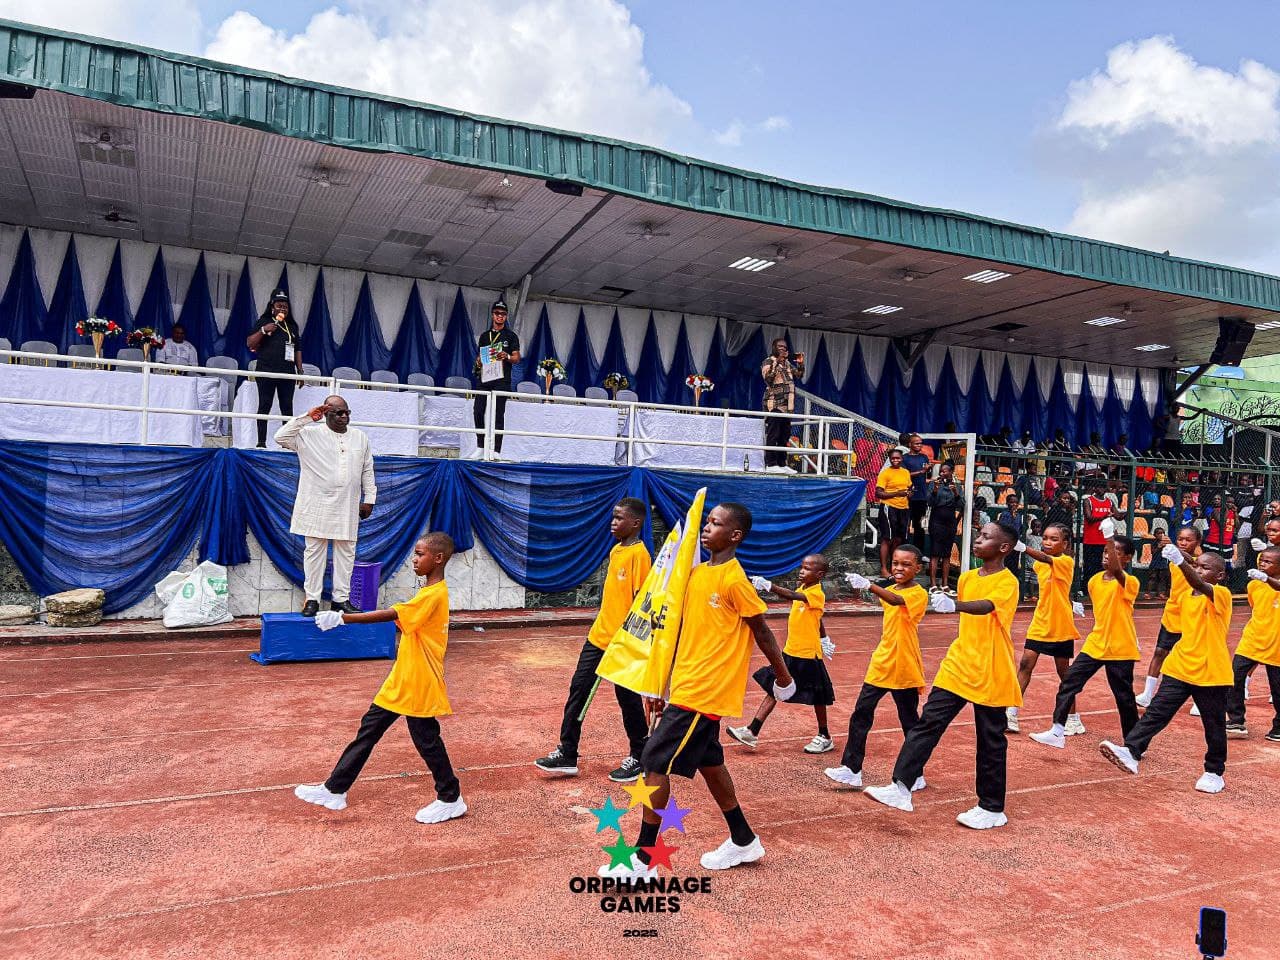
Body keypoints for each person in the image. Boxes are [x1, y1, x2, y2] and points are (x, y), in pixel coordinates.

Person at [605, 503, 794, 880]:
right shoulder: (695, 574)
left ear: (735, 535)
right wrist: (659, 682)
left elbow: (762, 631)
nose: (707, 529)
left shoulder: (733, 580)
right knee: (709, 763)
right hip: (686, 685)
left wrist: (784, 678)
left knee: (654, 762)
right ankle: (743, 839)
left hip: (705, 692)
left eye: (716, 524)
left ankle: (643, 862)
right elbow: (677, 630)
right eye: (707, 522)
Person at [293, 533, 466, 823]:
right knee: (369, 730)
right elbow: (402, 618)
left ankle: (450, 797)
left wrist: (342, 618)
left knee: (427, 740)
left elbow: (391, 613)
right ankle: (335, 789)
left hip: (419, 681)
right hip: (403, 677)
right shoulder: (426, 594)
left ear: (438, 558)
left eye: (420, 554)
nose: (414, 560)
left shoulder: (434, 594)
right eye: (414, 553)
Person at [864, 522, 1022, 830]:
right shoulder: (966, 577)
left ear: (1003, 548)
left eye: (986, 537)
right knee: (928, 723)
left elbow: (986, 607)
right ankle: (901, 786)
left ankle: (991, 807)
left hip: (990, 667)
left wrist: (956, 604)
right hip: (959, 662)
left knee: (990, 738)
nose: (978, 540)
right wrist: (954, 601)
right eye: (979, 534)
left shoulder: (1008, 582)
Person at [535, 499, 652, 781]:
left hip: (622, 641)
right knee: (579, 688)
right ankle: (567, 752)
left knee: (627, 698)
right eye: (613, 517)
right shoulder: (615, 551)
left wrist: (631, 640)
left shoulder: (640, 555)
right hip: (599, 636)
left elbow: (641, 602)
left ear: (635, 523)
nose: (613, 522)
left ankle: (640, 755)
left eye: (619, 518)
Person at [1100, 547, 1233, 794]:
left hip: (1210, 671)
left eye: (1206, 568)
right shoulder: (1185, 597)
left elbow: (1200, 584)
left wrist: (1181, 561)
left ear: (1221, 576)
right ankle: (1131, 752)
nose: (1198, 570)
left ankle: (1214, 772)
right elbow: (1175, 624)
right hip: (1180, 665)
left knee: (1213, 724)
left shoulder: (1221, 594)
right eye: (1198, 565)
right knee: (1156, 713)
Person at [824, 547, 929, 789]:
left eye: (905, 564)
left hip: (903, 663)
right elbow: (888, 595)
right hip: (882, 661)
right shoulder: (890, 588)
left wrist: (868, 584)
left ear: (917, 568)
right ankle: (852, 769)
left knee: (909, 720)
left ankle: (916, 774)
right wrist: (863, 585)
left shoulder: (918, 594)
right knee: (861, 713)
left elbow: (896, 601)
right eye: (895, 563)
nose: (899, 569)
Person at [1029, 534, 1140, 750]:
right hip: (1096, 643)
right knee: (1069, 683)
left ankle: (1133, 744)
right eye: (1106, 551)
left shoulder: (1130, 582)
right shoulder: (1094, 581)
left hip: (1120, 647)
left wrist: (1108, 538)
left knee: (1124, 697)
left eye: (1115, 552)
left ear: (1127, 558)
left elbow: (1117, 573)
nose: (1108, 555)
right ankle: (1057, 730)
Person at [275, 395, 376, 617]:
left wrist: (370, 498)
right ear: (326, 414)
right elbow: (280, 437)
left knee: (346, 552)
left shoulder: (360, 437)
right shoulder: (309, 435)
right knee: (314, 552)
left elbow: (367, 469)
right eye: (338, 413)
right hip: (316, 503)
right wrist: (306, 418)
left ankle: (340, 599)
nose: (344, 417)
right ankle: (312, 599)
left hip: (347, 504)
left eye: (347, 412)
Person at [730, 555, 835, 752]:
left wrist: (770, 586)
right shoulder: (803, 588)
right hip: (791, 652)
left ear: (819, 574)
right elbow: (816, 617)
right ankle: (752, 731)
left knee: (818, 696)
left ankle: (825, 735)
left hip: (807, 655)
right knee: (775, 688)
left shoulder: (816, 593)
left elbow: (794, 597)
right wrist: (824, 637)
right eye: (802, 567)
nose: (802, 571)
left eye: (807, 569)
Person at [1006, 523, 1083, 734]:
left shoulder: (1066, 561)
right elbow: (1055, 585)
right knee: (1025, 663)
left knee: (1064, 673)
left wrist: (1023, 548)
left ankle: (1074, 718)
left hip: (1060, 625)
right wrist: (1070, 600)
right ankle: (1011, 714)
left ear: (1065, 544)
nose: (1047, 542)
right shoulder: (1039, 566)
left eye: (1054, 539)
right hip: (1040, 622)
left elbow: (1047, 559)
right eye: (1045, 538)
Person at [1136, 526, 1203, 708]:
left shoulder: (1202, 560)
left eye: (1188, 540)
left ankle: (1200, 700)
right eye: (1180, 538)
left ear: (1197, 542)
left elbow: (1196, 564)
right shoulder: (1174, 556)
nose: (1183, 542)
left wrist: (1179, 554)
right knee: (1160, 652)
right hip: (1173, 612)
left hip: (1193, 614)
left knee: (1194, 657)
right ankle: (1147, 694)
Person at [1225, 546, 1280, 741]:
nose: (1262, 564)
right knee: (1234, 677)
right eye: (1261, 560)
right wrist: (1263, 580)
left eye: (1268, 562)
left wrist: (1268, 580)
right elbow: (1256, 607)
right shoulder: (1253, 585)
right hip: (1252, 639)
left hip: (1277, 644)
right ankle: (1236, 720)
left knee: (1277, 688)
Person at [247, 288, 304, 448]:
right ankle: (261, 442)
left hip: (287, 372)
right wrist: (264, 330)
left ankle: (286, 443)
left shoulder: (292, 326)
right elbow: (250, 343)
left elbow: (297, 348)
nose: (282, 309)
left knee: (287, 407)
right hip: (266, 370)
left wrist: (300, 371)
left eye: (285, 306)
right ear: (272, 306)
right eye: (279, 305)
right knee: (264, 405)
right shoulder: (263, 321)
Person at [471, 299, 520, 456]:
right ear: (492, 315)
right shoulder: (485, 336)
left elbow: (517, 358)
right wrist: (478, 360)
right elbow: (480, 356)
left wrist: (506, 356)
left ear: (506, 317)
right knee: (478, 410)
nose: (500, 316)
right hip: (485, 378)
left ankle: (496, 450)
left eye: (503, 314)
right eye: (497, 313)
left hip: (502, 379)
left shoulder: (511, 336)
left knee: (498, 414)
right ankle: (480, 446)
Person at [760, 338, 804, 472]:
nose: (782, 349)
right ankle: (771, 464)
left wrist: (801, 364)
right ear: (774, 347)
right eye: (780, 346)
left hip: (787, 406)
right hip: (774, 404)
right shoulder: (768, 361)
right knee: (773, 434)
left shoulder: (787, 364)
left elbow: (799, 375)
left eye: (784, 347)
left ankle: (782, 464)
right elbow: (768, 379)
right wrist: (776, 362)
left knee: (784, 436)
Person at [876, 449, 913, 579]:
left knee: (898, 539)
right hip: (889, 507)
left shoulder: (906, 472)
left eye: (898, 458)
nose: (895, 460)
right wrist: (897, 493)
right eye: (893, 458)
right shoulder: (885, 473)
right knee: (887, 538)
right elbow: (878, 493)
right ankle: (884, 569)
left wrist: (909, 493)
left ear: (901, 458)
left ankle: (894, 567)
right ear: (890, 459)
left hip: (904, 507)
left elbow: (909, 488)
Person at [926, 463, 962, 595]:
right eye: (941, 472)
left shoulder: (957, 486)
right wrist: (935, 490)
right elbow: (930, 502)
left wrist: (955, 492)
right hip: (936, 520)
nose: (942, 474)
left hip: (950, 521)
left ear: (951, 472)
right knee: (935, 553)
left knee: (946, 554)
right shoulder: (933, 484)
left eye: (945, 471)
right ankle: (933, 584)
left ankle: (945, 584)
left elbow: (961, 504)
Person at [1081, 483, 1118, 583]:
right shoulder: (1088, 500)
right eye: (1099, 486)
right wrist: (1104, 516)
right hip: (1091, 540)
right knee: (1089, 566)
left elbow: (1118, 516)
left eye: (1103, 487)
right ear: (1095, 487)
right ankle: (1086, 589)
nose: (1102, 489)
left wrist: (1130, 508)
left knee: (1103, 566)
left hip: (1105, 540)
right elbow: (1089, 518)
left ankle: (1101, 587)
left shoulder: (1109, 502)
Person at [901, 434, 932, 549]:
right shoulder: (904, 458)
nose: (920, 445)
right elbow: (904, 474)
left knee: (920, 525)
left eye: (921, 443)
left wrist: (928, 469)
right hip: (907, 496)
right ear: (910, 444)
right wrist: (921, 471)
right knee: (905, 525)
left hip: (921, 496)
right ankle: (903, 549)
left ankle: (918, 553)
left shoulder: (924, 457)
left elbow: (927, 474)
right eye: (917, 443)